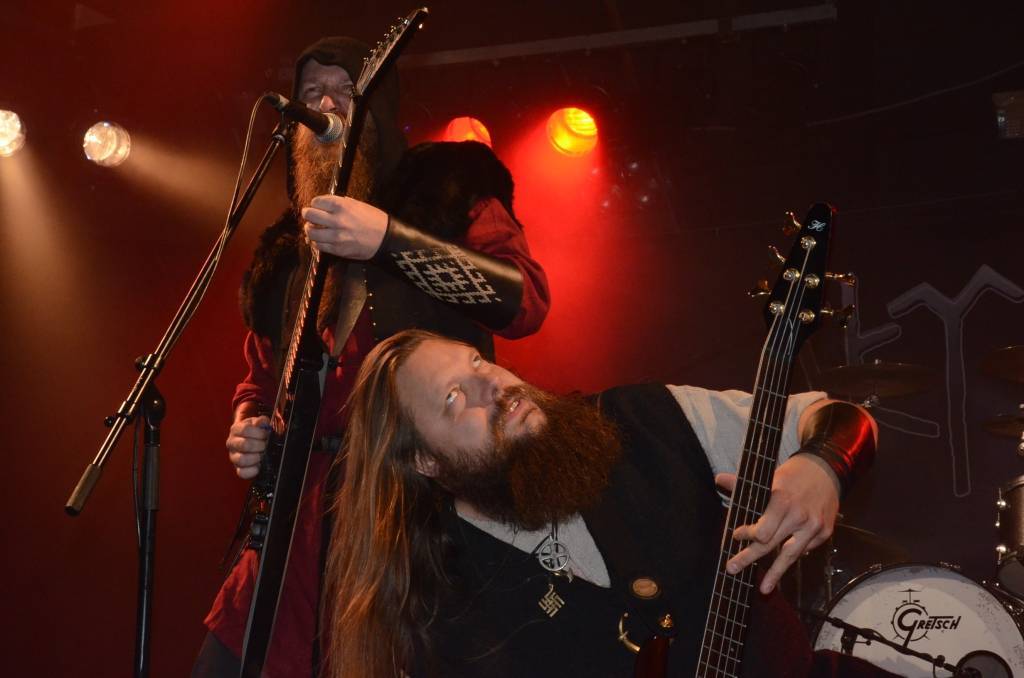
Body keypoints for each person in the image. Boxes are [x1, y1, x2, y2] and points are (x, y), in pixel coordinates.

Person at [193, 36, 550, 677]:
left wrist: (387, 240)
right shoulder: (287, 249)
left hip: (412, 515)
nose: (325, 105)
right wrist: (248, 421)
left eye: (343, 91)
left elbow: (525, 300)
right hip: (295, 525)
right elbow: (260, 373)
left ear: (377, 109)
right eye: (311, 93)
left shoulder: (448, 191)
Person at [321, 330, 898, 678]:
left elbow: (839, 419)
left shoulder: (643, 419)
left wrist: (823, 465)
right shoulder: (443, 617)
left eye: (477, 361)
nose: (492, 384)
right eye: (454, 397)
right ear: (425, 462)